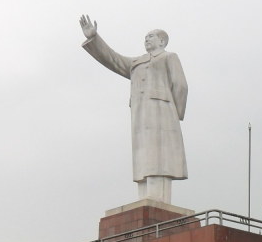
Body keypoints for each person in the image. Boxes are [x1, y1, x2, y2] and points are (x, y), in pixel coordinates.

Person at [79, 15, 188, 204]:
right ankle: (145, 196)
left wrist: (174, 115)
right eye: (146, 36)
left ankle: (160, 200)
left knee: (160, 156)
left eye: (151, 36)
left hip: (162, 111)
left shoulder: (169, 57)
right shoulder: (137, 63)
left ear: (162, 41)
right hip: (141, 114)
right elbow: (113, 59)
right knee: (144, 154)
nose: (147, 39)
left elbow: (180, 86)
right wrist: (94, 39)